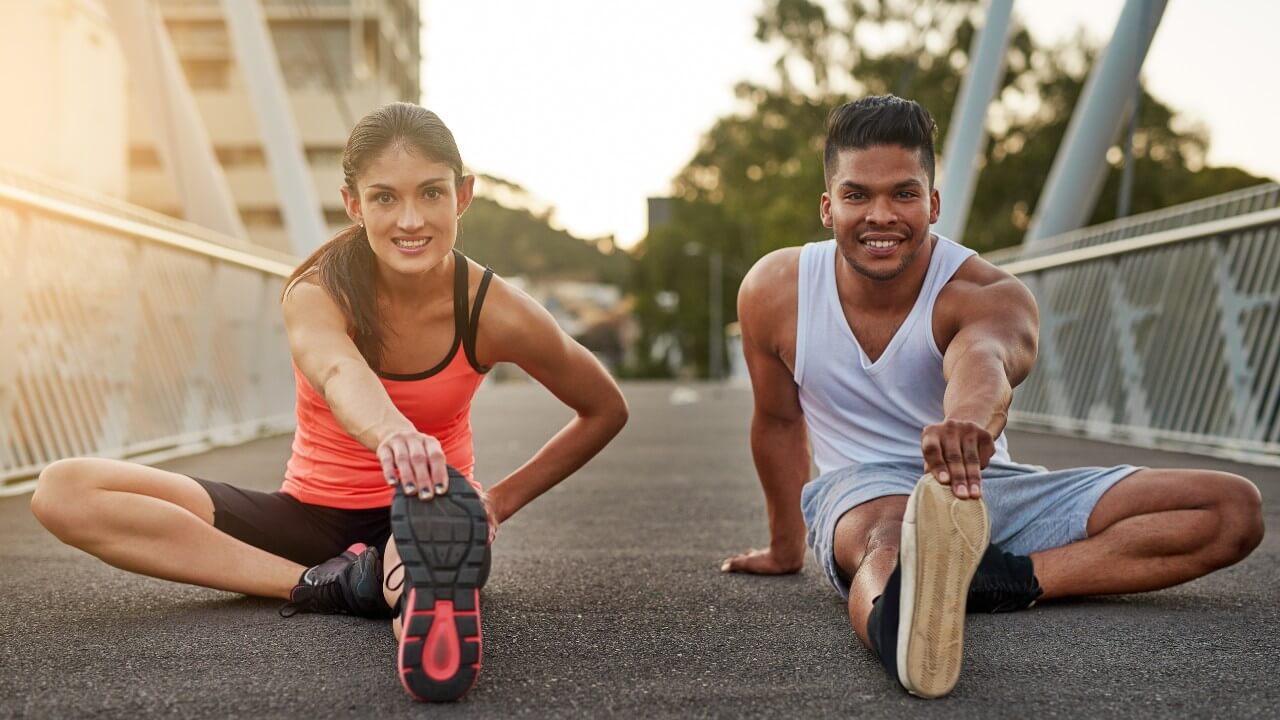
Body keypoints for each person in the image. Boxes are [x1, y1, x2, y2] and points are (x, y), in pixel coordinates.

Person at [30, 102, 628, 702]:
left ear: (463, 195)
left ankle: (408, 588)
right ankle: (328, 583)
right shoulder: (317, 290)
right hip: (307, 515)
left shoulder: (495, 310)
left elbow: (604, 408)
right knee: (64, 489)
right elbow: (339, 371)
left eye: (431, 193)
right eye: (384, 198)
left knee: (424, 552)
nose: (410, 219)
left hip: (424, 512)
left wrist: (496, 503)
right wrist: (392, 433)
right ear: (353, 204)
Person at [721, 95, 1264, 699]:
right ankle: (900, 628)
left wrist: (967, 421)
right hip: (862, 493)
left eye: (903, 194)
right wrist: (784, 546)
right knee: (893, 533)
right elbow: (775, 420)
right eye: (857, 195)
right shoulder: (776, 290)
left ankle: (999, 579)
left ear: (932, 202)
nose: (881, 215)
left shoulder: (986, 291)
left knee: (1231, 508)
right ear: (828, 207)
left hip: (987, 485)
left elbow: (984, 362)